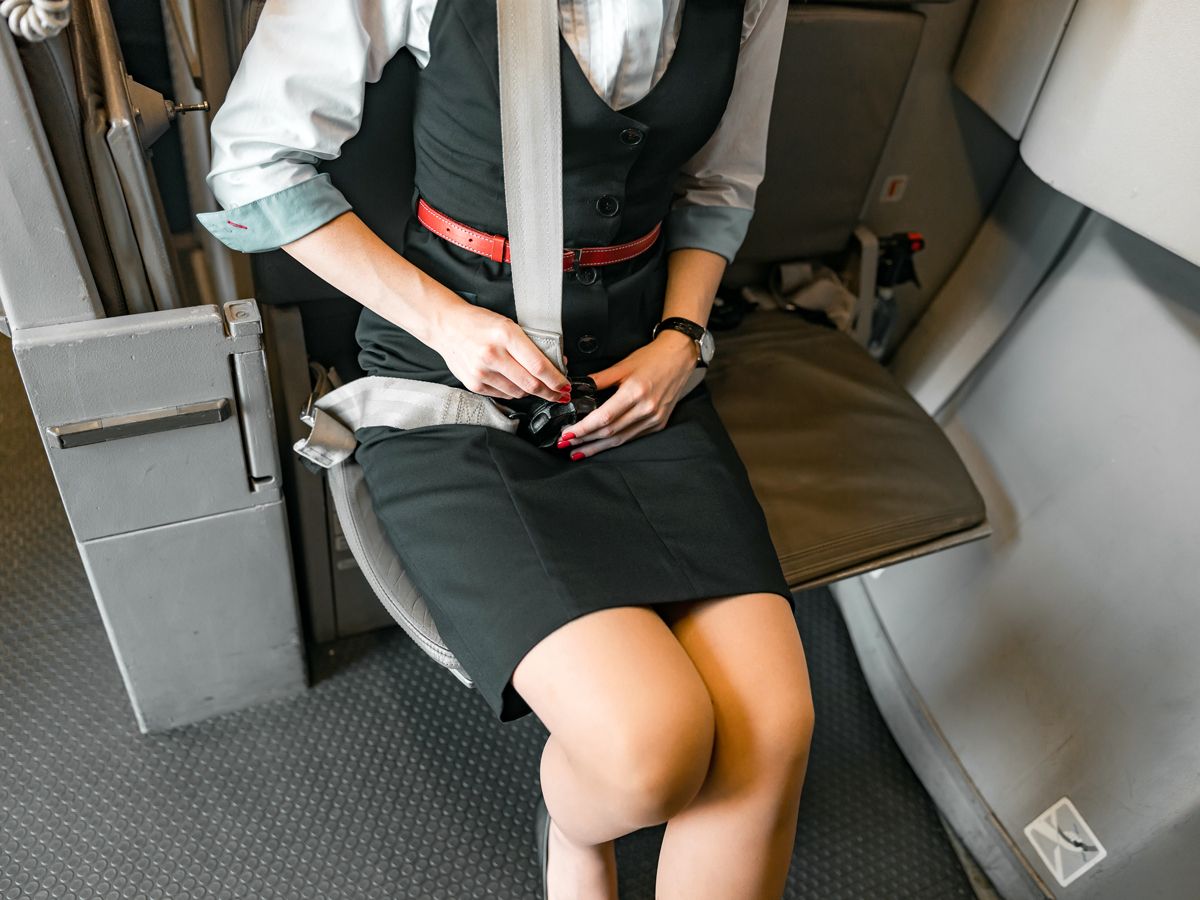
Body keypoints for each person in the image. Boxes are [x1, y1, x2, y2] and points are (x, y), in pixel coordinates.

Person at [197, 1, 814, 897]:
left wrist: (683, 338)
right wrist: (446, 323)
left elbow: (718, 185)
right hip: (450, 370)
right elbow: (253, 166)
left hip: (638, 371)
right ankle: (572, 831)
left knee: (774, 733)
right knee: (652, 753)